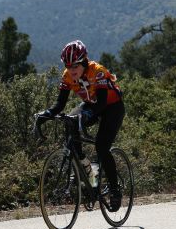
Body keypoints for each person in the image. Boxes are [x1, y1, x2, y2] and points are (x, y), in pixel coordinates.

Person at [40, 40, 125, 211]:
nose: (71, 70)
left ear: (84, 62)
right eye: (68, 66)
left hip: (112, 107)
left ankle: (115, 190)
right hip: (92, 105)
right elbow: (60, 104)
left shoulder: (98, 72)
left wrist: (86, 115)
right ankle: (86, 168)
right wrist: (46, 114)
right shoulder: (67, 76)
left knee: (102, 147)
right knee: (70, 120)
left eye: (75, 66)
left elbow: (101, 103)